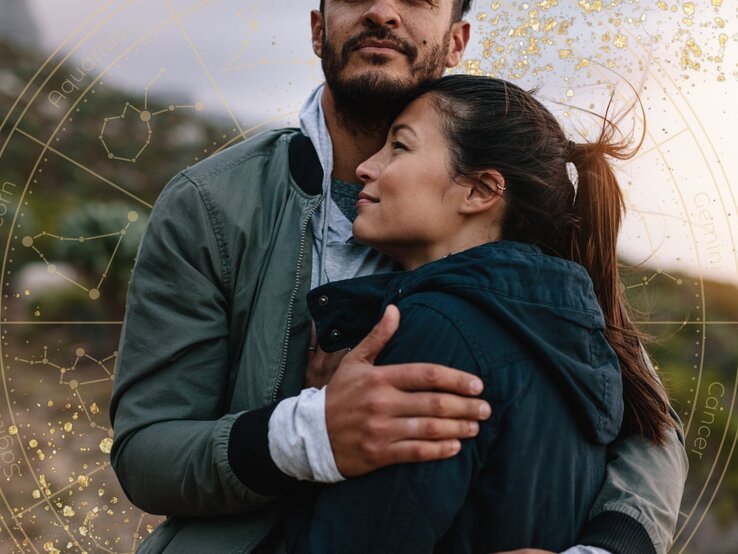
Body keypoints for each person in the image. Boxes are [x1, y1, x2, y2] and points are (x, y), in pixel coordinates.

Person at [109, 1, 688, 553]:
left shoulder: (515, 224)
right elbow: (145, 452)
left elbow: (644, 417)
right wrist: (307, 433)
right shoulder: (211, 204)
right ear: (317, 30)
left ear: (456, 39)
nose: (383, 12)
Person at [283, 74, 673, 553]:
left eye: (399, 147)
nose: (366, 167)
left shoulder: (439, 330)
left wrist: (315, 434)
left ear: (481, 191)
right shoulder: (569, 332)